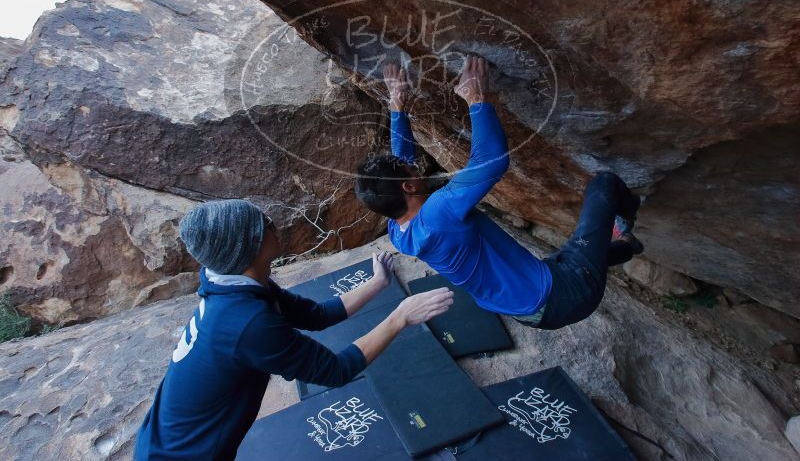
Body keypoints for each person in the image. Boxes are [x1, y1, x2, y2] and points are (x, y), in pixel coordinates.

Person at [134, 199, 453, 460]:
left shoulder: (232, 282)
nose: (276, 226)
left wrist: (377, 283)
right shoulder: (248, 321)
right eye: (266, 224)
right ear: (254, 245)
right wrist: (400, 316)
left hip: (166, 439)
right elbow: (335, 370)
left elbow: (315, 315)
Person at [355, 54, 643, 331]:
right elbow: (491, 160)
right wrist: (476, 99)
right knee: (604, 184)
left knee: (576, 254)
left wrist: (397, 106)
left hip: (530, 310)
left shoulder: (399, 229)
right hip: (564, 294)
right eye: (408, 170)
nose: (412, 166)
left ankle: (629, 246)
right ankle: (626, 219)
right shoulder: (438, 215)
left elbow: (400, 166)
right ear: (408, 187)